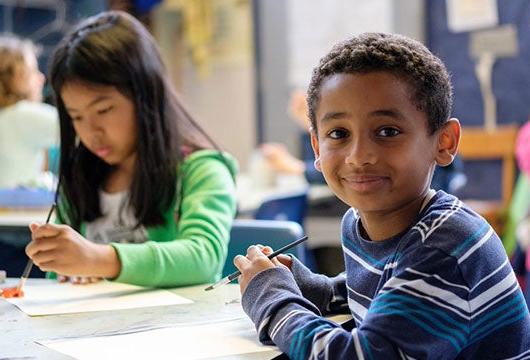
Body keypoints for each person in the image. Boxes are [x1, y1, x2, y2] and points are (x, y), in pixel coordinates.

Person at [234, 33, 530, 358]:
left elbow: (355, 354)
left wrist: (272, 299)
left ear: (444, 142)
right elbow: (387, 293)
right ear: (317, 147)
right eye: (339, 134)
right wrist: (314, 289)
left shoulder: (445, 249)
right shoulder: (357, 221)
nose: (359, 156)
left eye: (387, 132)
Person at [25, 11, 238, 287]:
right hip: (91, 325)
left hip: (175, 325)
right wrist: (60, 261)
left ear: (146, 95)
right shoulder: (80, 178)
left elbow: (203, 257)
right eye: (76, 116)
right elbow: (62, 278)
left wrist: (98, 259)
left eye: (104, 110)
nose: (91, 132)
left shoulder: (201, 169)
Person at [0, 34, 58, 188]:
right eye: (33, 71)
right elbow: (82, 126)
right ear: (15, 78)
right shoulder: (23, 114)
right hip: (15, 209)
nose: (42, 78)